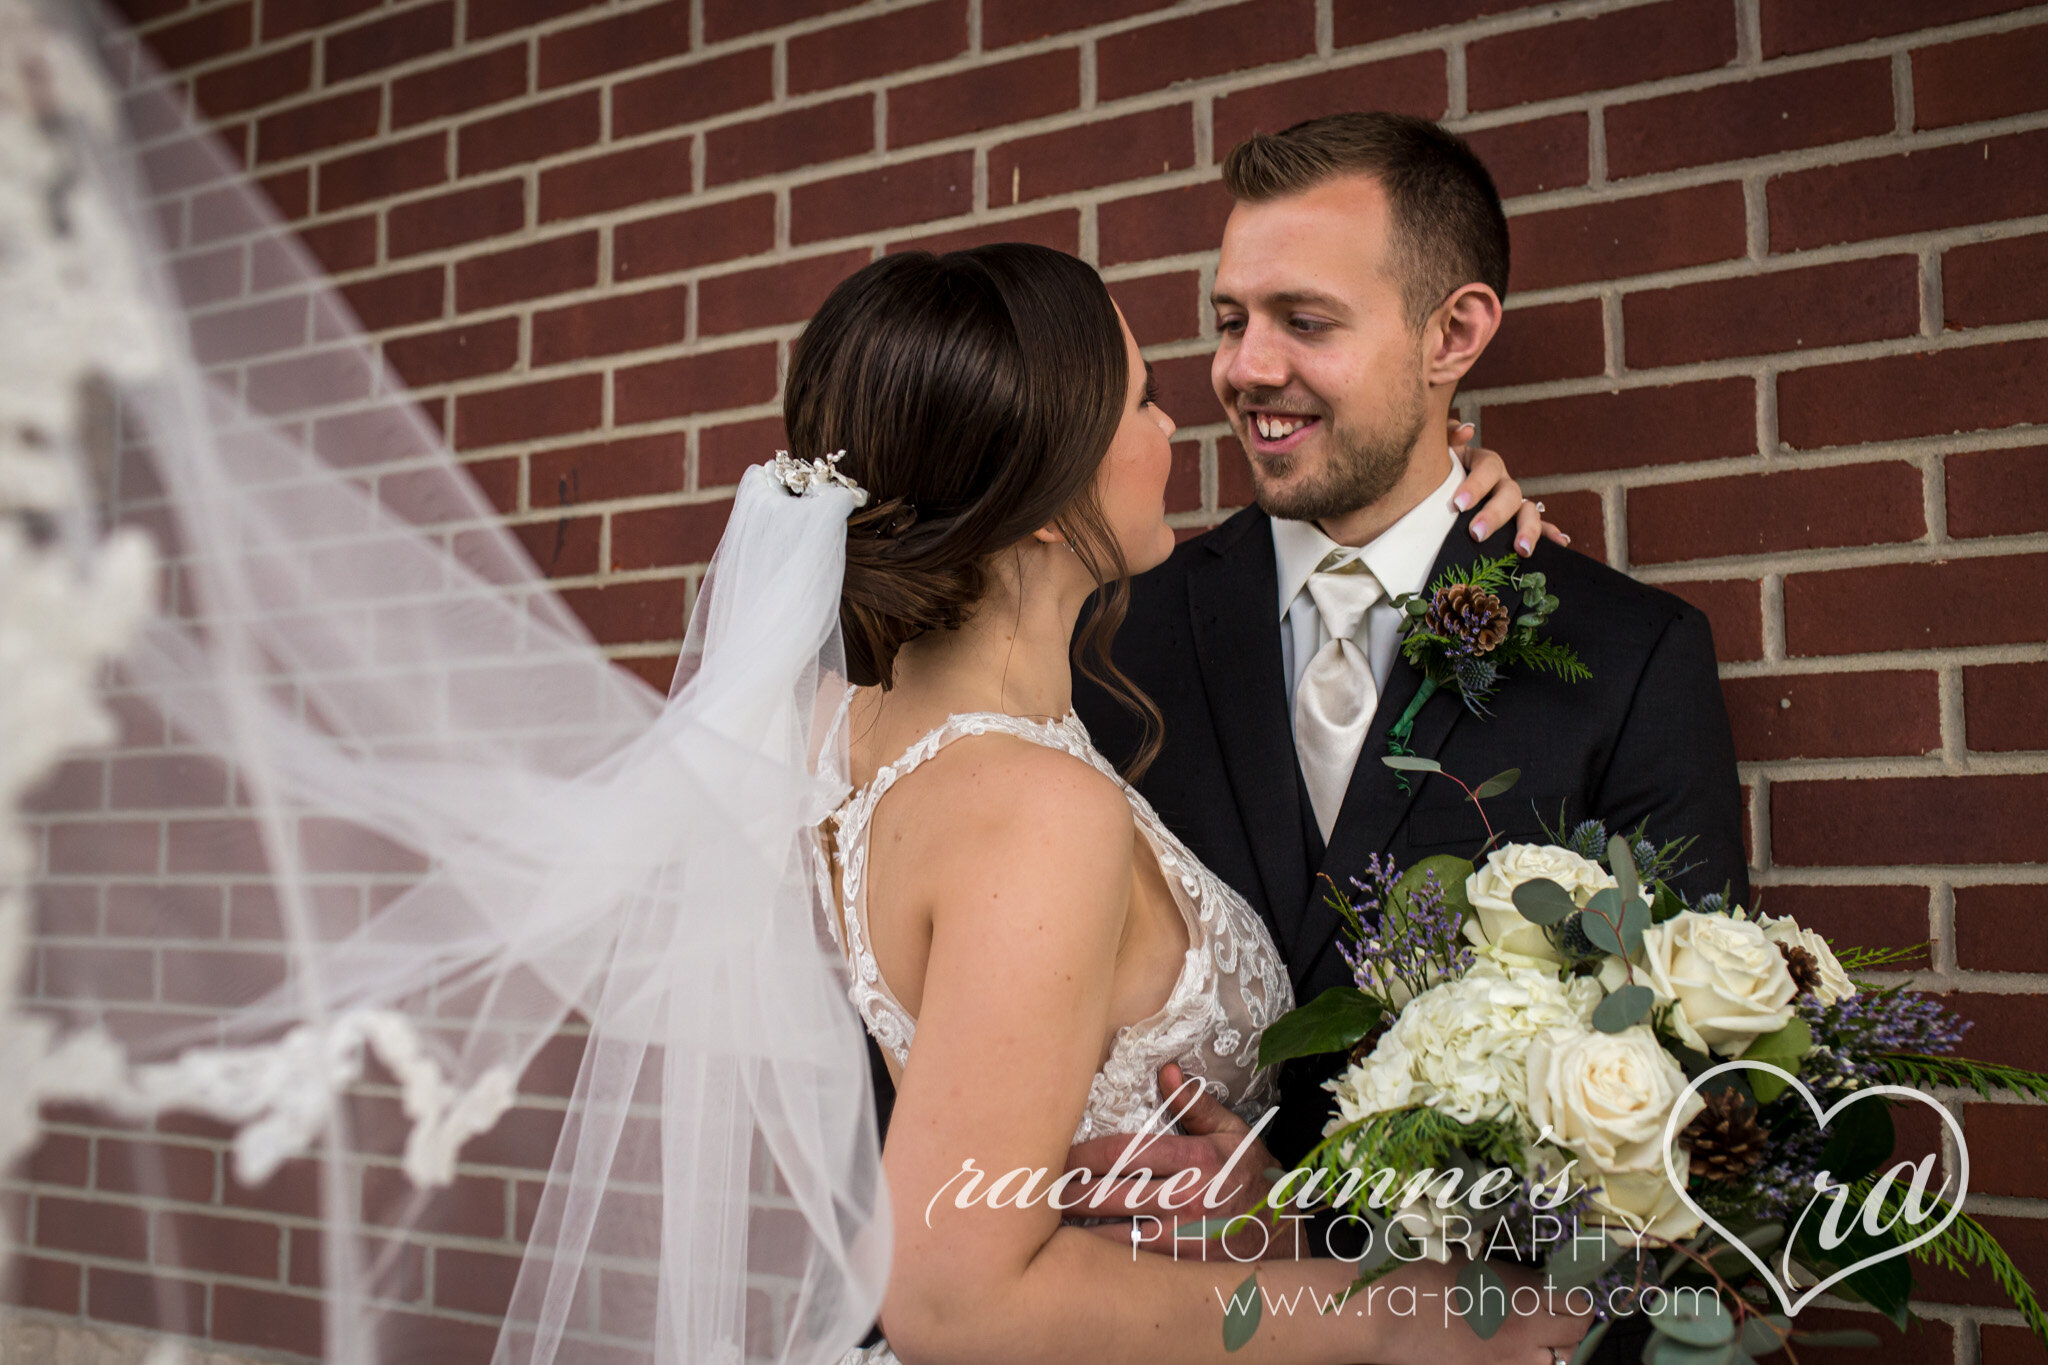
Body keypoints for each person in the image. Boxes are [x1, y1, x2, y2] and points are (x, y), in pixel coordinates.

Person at [808, 243, 1590, 1364]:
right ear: (1038, 497)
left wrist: (1438, 487)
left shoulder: (845, 733)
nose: (1178, 428)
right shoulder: (1036, 809)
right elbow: (951, 1301)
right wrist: (1393, 1310)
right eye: (1143, 398)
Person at [1064, 109, 1747, 1318]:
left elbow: (1681, 1108)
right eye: (1229, 321)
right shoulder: (1108, 633)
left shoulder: (1626, 654)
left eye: (1304, 322)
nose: (1244, 369)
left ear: (1455, 334)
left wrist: (1306, 1217)